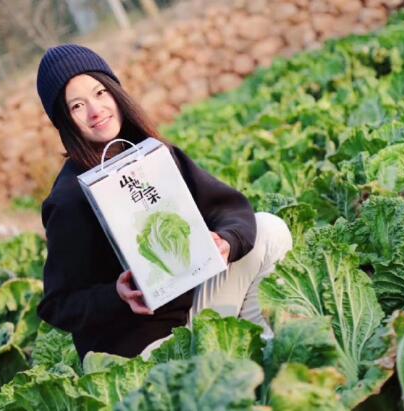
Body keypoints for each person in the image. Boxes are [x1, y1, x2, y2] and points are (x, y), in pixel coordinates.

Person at [35, 44, 293, 362]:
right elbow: (58, 304)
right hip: (142, 352)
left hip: (192, 315)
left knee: (270, 228)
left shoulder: (152, 154)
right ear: (65, 121)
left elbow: (227, 209)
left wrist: (226, 242)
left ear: (116, 92)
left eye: (100, 92)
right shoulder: (69, 198)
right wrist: (116, 295)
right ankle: (241, 363)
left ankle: (263, 354)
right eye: (77, 106)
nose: (95, 110)